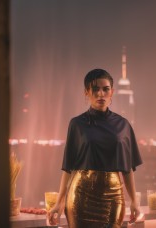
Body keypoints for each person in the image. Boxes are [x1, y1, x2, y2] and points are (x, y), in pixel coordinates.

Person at [47, 68, 143, 227]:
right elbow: (68, 168)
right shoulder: (77, 124)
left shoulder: (123, 125)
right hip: (81, 196)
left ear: (112, 92)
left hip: (113, 197)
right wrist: (59, 202)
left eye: (105, 89)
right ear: (86, 92)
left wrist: (134, 201)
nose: (100, 94)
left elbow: (127, 169)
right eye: (95, 89)